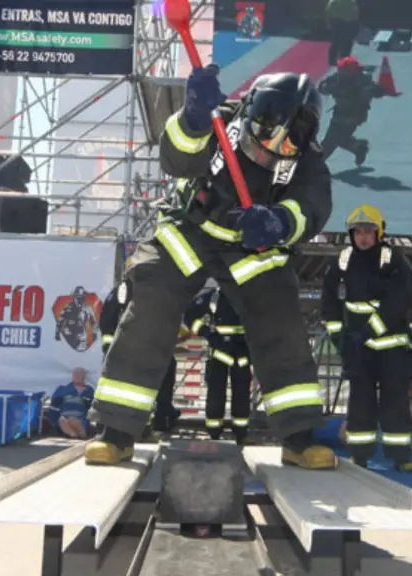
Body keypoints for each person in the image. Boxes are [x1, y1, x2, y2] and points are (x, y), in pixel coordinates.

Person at [85, 66, 336, 470]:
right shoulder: (220, 120)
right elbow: (177, 160)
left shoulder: (308, 160)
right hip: (192, 228)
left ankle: (298, 437)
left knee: (280, 320)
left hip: (251, 245)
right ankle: (116, 431)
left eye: (291, 134)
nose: (275, 140)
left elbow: (312, 205)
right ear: (252, 107)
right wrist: (193, 120)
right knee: (152, 302)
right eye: (270, 124)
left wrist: (278, 223)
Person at [320, 203, 412, 472]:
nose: (362, 237)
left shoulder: (393, 260)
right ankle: (360, 455)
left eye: (368, 231)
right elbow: (329, 304)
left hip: (392, 347)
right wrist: (340, 338)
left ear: (379, 233)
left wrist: (369, 329)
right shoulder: (340, 262)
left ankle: (401, 457)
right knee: (360, 403)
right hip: (357, 348)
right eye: (357, 232)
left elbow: (398, 301)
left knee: (394, 402)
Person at [99, 275, 182, 434]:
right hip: (131, 350)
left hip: (148, 348)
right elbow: (107, 320)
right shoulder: (124, 291)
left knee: (158, 380)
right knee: (130, 390)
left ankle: (158, 420)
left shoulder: (156, 292)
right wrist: (110, 348)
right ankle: (117, 426)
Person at [183, 286, 253, 445]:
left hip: (241, 350)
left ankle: (241, 432)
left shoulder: (250, 294)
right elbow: (189, 316)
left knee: (241, 391)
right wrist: (207, 333)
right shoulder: (213, 296)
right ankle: (214, 432)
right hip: (220, 349)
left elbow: (262, 319)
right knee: (216, 391)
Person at [317, 56, 390, 165]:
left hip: (355, 115)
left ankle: (316, 164)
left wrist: (371, 91)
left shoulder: (363, 79)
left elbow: (380, 91)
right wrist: (330, 88)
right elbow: (322, 86)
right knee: (339, 139)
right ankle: (358, 147)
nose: (340, 72)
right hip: (339, 112)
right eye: (339, 69)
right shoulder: (337, 78)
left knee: (332, 140)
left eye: (343, 70)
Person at [49, 368, 95, 439]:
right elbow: (54, 403)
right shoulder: (63, 389)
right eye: (75, 374)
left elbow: (93, 404)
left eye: (79, 374)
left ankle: (83, 434)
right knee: (62, 420)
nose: (77, 376)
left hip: (81, 417)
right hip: (65, 416)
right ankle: (74, 435)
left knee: (73, 419)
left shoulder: (89, 390)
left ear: (84, 376)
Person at [325, 0, 360, 66]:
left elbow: (328, 12)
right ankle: (344, 59)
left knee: (336, 42)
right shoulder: (351, 2)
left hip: (337, 23)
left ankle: (332, 60)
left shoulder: (333, 2)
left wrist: (329, 24)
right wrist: (356, 23)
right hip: (348, 23)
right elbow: (356, 13)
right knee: (347, 43)